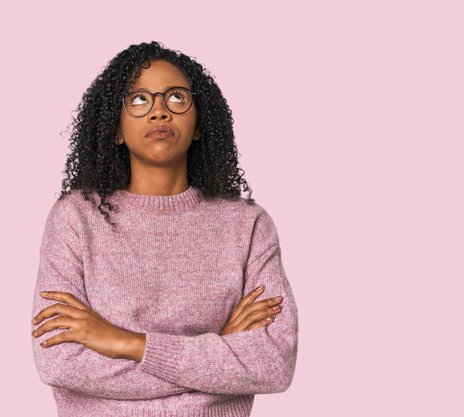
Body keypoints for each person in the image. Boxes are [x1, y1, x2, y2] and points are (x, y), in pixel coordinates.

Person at [30, 40, 299, 417]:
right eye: (139, 100)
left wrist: (126, 343)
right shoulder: (76, 219)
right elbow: (60, 362)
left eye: (176, 98)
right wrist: (219, 353)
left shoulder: (247, 225)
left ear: (200, 124)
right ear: (116, 129)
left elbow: (272, 363)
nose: (159, 111)